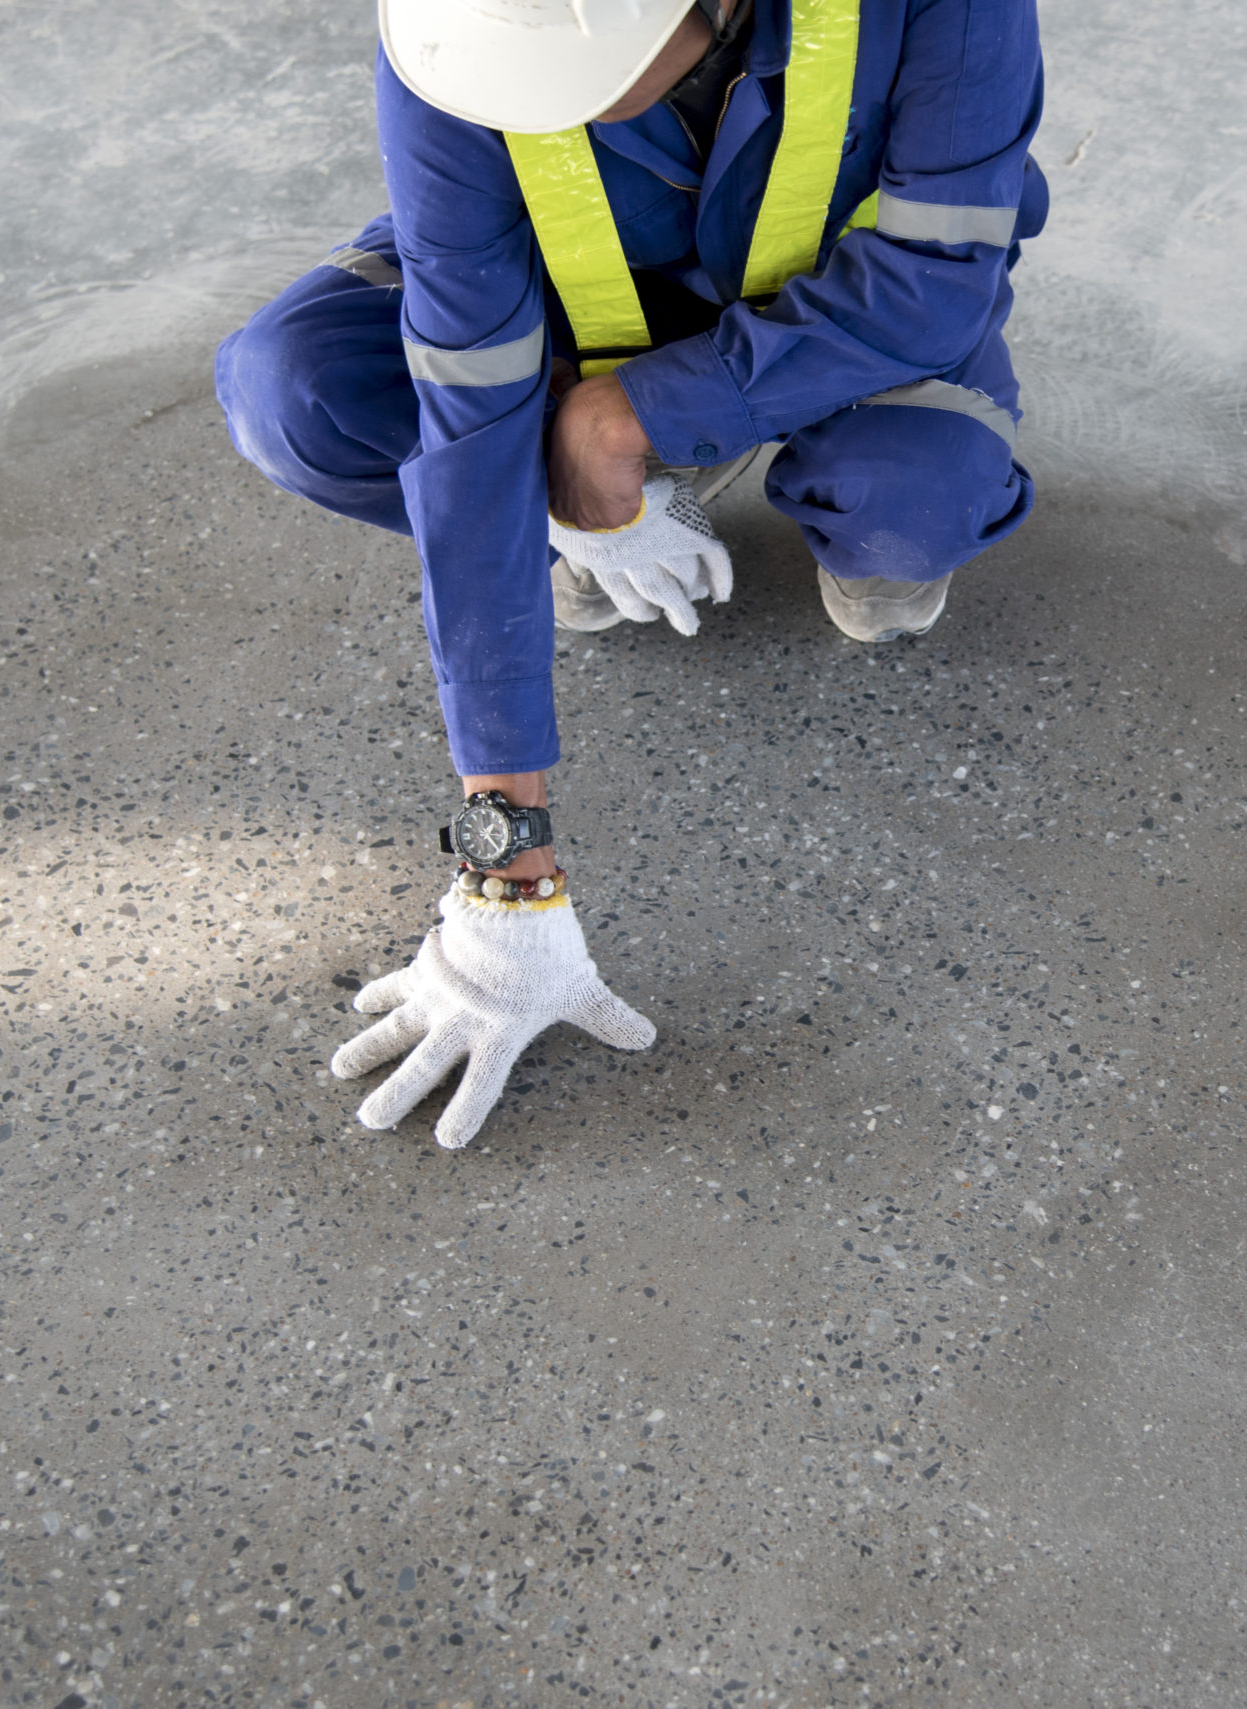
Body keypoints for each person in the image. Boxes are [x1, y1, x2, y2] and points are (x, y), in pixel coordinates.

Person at [212, 0, 1046, 1149]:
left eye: (576, 65)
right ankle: (580, 509)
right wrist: (506, 862)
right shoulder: (454, 46)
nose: (547, 96)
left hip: (846, 320)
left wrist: (635, 412)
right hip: (574, 312)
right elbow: (463, 408)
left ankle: (694, 472)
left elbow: (933, 276)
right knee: (292, 391)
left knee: (907, 515)